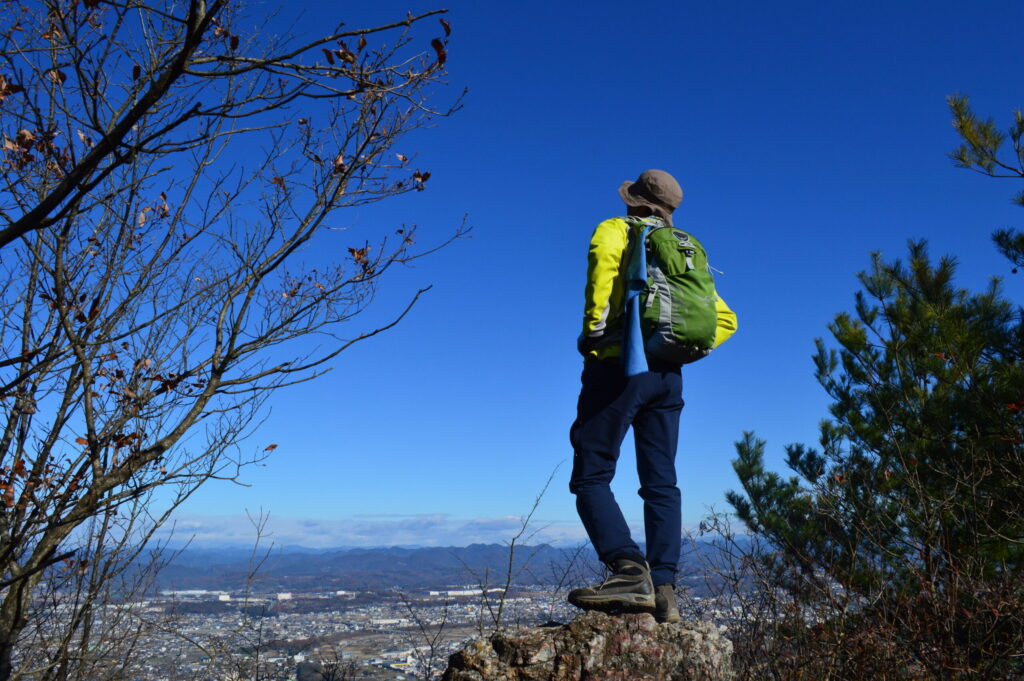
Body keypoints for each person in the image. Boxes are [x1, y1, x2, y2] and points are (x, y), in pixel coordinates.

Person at [567, 169, 737, 623]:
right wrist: (676, 351)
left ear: (634, 201)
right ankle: (665, 587)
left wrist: (595, 335)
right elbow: (726, 319)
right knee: (661, 480)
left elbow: (602, 267)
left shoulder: (617, 229)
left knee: (591, 472)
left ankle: (627, 570)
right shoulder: (685, 251)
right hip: (669, 376)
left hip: (621, 366)